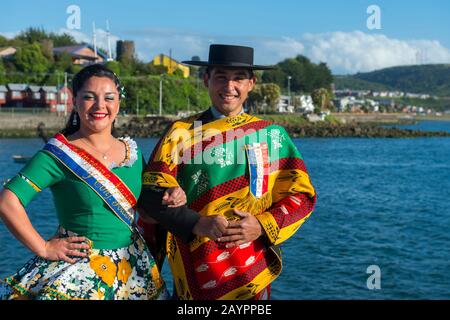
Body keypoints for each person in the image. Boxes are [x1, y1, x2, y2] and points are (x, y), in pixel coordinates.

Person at [138, 44, 317, 300]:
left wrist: (262, 224)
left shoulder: (272, 136)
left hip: (251, 278)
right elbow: (150, 195)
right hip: (193, 274)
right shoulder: (181, 134)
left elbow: (302, 196)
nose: (229, 86)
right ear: (207, 79)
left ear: (251, 83)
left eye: (238, 78)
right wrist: (174, 198)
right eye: (221, 77)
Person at [0, 64, 184, 300]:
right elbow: (8, 201)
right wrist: (43, 247)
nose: (100, 106)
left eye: (109, 98)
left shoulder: (133, 154)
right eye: (89, 97)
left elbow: (145, 211)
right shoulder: (57, 155)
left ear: (118, 103)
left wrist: (174, 192)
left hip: (132, 267)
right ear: (75, 102)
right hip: (79, 269)